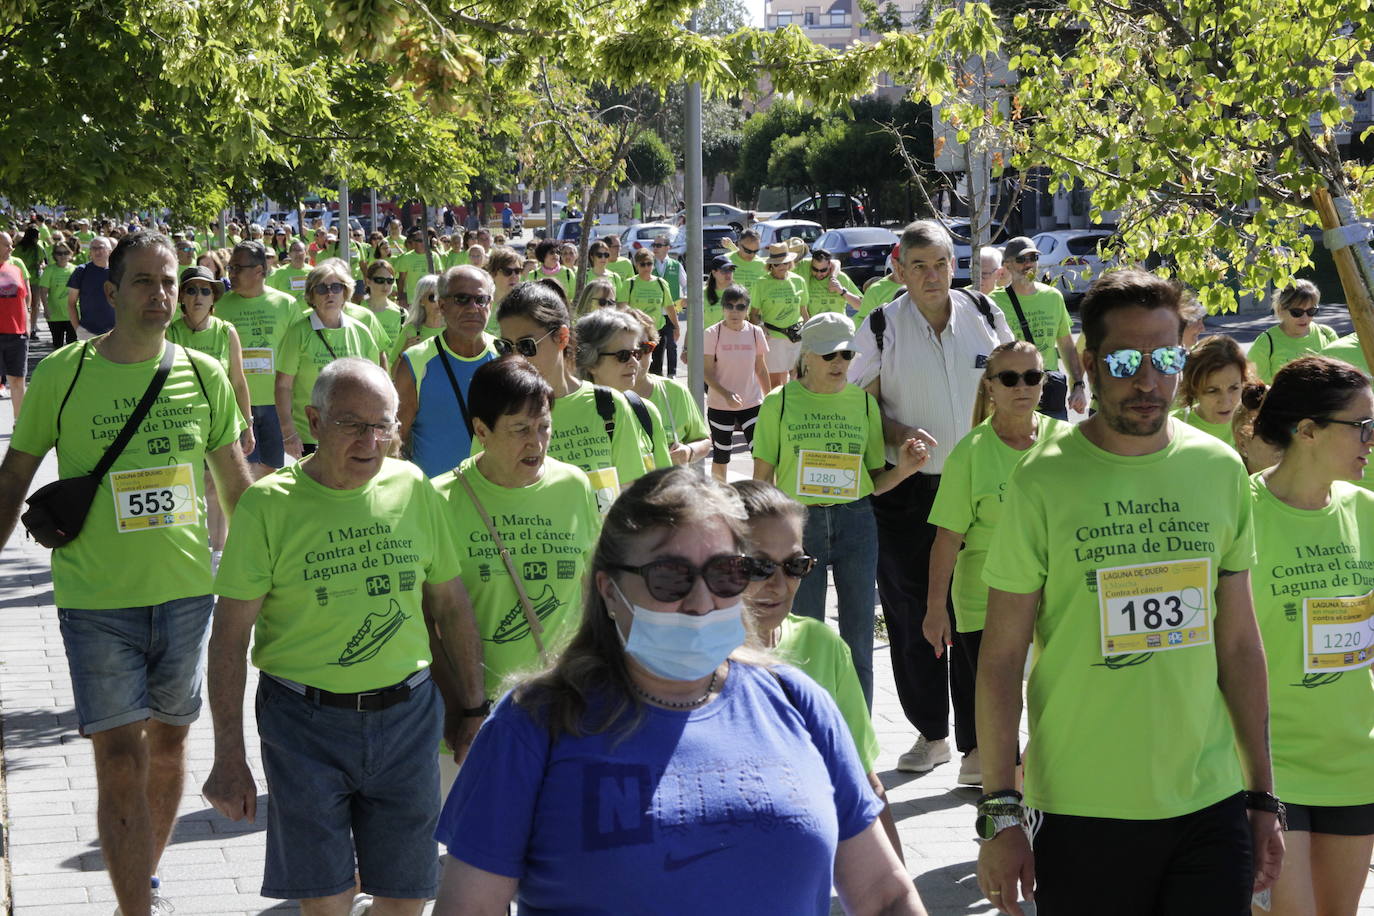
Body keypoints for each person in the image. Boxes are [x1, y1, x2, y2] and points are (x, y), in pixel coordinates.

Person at [431, 467, 926, 916]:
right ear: (608, 590)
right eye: (670, 577)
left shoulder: (797, 701)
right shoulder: (533, 725)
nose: (700, 601)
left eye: (727, 573)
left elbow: (885, 893)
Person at [975, 268, 1283, 915]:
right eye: (1124, 360)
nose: (1148, 380)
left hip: (1210, 800)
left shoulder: (1219, 468)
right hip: (1085, 807)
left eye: (1166, 357)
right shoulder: (1043, 481)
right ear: (1088, 363)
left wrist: (1262, 795)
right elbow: (1001, 660)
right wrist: (1000, 809)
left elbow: (1240, 645)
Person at [0, 230, 251, 916]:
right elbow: (15, 474)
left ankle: (142, 877)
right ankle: (136, 908)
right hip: (95, 597)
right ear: (110, 294)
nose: (161, 295)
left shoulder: (201, 375)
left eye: (170, 282)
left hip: (186, 595)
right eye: (144, 282)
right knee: (117, 757)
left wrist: (269, 584)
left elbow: (238, 488)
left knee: (169, 747)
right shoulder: (66, 374)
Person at [203, 358, 487, 916]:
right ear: (312, 419)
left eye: (383, 424)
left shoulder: (412, 489)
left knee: (406, 899)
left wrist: (473, 708)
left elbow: (451, 608)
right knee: (326, 903)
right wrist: (228, 755)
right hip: (303, 724)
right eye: (351, 424)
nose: (371, 440)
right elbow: (229, 638)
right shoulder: (267, 506)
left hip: (408, 721)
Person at [848, 219, 1012, 775]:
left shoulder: (986, 315)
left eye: (941, 263)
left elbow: (1011, 385)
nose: (932, 276)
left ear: (954, 265)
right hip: (907, 491)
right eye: (918, 266)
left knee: (974, 612)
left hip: (980, 490)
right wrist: (898, 438)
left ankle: (975, 745)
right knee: (913, 610)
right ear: (899, 269)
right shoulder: (877, 325)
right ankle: (930, 733)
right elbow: (861, 405)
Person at [431, 356, 601, 789]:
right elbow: (429, 623)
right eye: (520, 430)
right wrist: (461, 709)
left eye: (543, 426)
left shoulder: (574, 484)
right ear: (481, 430)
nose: (537, 443)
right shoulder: (438, 499)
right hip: (474, 723)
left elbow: (592, 596)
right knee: (469, 855)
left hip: (561, 711)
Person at [1244, 356, 1374, 916]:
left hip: (1355, 765)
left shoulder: (1366, 512)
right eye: (1363, 426)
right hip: (1271, 770)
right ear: (1309, 430)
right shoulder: (1238, 510)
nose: (1371, 439)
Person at [753, 313, 933, 707]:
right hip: (798, 527)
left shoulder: (863, 403)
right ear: (807, 357)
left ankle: (858, 738)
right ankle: (804, 726)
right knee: (802, 636)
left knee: (858, 641)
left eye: (847, 354)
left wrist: (902, 471)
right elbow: (761, 482)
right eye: (829, 354)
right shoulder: (778, 403)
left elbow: (872, 482)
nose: (839, 363)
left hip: (856, 522)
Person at [924, 340, 1070, 786]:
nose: (1021, 386)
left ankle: (1036, 775)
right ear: (990, 387)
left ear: (1044, 384)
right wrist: (934, 609)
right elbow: (947, 537)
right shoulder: (970, 451)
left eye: (1032, 376)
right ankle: (1001, 792)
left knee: (1058, 691)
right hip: (984, 595)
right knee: (1001, 700)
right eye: (1009, 378)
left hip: (1057, 594)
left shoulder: (1068, 443)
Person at [732, 478, 903, 860]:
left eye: (794, 566)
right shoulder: (680, 662)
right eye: (758, 567)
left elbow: (863, 782)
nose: (778, 585)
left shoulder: (822, 647)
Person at [496, 282, 667, 513]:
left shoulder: (609, 405)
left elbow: (629, 497)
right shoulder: (497, 412)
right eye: (505, 347)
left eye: (527, 346)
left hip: (602, 548)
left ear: (562, 337)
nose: (516, 357)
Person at [166, 265, 255, 556]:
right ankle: (187, 550)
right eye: (191, 289)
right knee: (184, 487)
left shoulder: (226, 331)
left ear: (214, 298)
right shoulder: (171, 333)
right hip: (180, 424)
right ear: (181, 298)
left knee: (215, 487)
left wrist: (248, 425)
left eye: (206, 290)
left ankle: (218, 552)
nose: (199, 296)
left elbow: (239, 382)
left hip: (219, 422)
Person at [276, 258, 384, 458]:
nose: (330, 293)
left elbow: (376, 385)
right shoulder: (297, 332)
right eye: (322, 289)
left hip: (355, 434)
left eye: (336, 287)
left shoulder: (361, 331)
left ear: (345, 292)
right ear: (311, 295)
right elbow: (283, 386)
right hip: (309, 435)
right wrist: (288, 432)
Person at [396, 265, 498, 477]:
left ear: (490, 304)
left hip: (493, 498)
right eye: (461, 299)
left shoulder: (506, 357)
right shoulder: (415, 361)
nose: (473, 308)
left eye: (481, 300)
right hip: (434, 499)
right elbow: (395, 438)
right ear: (442, 305)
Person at [215, 240, 300, 480]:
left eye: (237, 268)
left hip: (277, 403)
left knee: (273, 469)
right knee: (243, 472)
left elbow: (298, 355)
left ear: (259, 271)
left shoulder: (286, 304)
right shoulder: (221, 306)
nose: (231, 274)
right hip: (238, 403)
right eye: (230, 268)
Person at [989, 237, 1087, 421]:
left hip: (1049, 392)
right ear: (1008, 266)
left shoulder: (1053, 297)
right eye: (1021, 260)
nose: (1028, 264)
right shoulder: (993, 302)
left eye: (1033, 258)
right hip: (1012, 393)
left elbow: (1066, 346)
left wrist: (1078, 386)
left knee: (1054, 449)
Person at [573, 308, 676, 470]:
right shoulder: (565, 414)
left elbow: (665, 482)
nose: (635, 363)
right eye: (623, 355)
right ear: (591, 361)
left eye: (636, 353)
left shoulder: (646, 411)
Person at [623, 308, 712, 466]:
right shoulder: (598, 396)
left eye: (644, 348)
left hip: (668, 487)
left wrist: (688, 451)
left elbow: (703, 440)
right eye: (625, 353)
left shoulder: (674, 391)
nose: (635, 359)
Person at [703, 284, 770, 481]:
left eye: (740, 307)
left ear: (747, 310)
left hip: (752, 403)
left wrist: (771, 398)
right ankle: (720, 500)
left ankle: (764, 501)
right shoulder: (712, 333)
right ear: (723, 308)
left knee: (761, 455)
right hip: (720, 405)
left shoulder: (756, 332)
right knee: (722, 456)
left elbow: (760, 368)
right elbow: (706, 371)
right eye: (730, 306)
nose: (734, 311)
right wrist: (726, 394)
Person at [1250, 280, 1338, 384]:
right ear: (1280, 310)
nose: (1305, 318)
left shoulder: (1327, 334)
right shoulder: (1266, 343)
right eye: (1297, 312)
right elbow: (1256, 388)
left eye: (1311, 311)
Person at [1173, 334, 1250, 448]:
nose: (1225, 401)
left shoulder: (1255, 425)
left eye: (1234, 388)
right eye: (1213, 391)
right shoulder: (1173, 429)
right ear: (1193, 389)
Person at [751, 242, 810, 389]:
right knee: (775, 383)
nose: (782, 267)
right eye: (777, 264)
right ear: (770, 266)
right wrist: (760, 327)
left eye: (785, 263)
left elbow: (803, 310)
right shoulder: (761, 283)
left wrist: (810, 334)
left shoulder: (798, 281)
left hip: (797, 336)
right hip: (774, 338)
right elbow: (753, 314)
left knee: (799, 380)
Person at [0, 231, 31, 418]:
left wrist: (26, 324)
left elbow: (25, 297)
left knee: (18, 381)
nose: (11, 248)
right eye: (6, 245)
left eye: (11, 244)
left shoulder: (16, 267)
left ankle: (19, 425)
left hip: (16, 334)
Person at [648, 233, 685, 377]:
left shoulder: (676, 265)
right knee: (656, 345)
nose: (655, 248)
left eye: (659, 245)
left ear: (667, 248)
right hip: (654, 312)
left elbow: (686, 284)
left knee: (672, 344)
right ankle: (656, 374)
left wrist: (685, 297)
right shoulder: (649, 264)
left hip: (672, 310)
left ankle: (672, 374)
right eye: (654, 245)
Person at [389, 273, 445, 368]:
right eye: (433, 297)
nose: (438, 302)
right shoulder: (411, 331)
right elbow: (393, 373)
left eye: (441, 296)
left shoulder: (454, 330)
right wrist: (403, 352)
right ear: (421, 301)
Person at [68, 235, 115, 337]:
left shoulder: (118, 271)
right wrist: (78, 329)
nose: (97, 251)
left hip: (116, 331)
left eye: (100, 248)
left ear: (109, 251)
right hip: (88, 332)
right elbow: (71, 303)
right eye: (93, 248)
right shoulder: (81, 271)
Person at [358, 258, 407, 354]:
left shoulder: (402, 314)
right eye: (379, 280)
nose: (385, 285)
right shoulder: (357, 311)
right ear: (368, 282)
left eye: (390, 280)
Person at [36, 241, 78, 348]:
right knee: (57, 344)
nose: (63, 256)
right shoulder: (49, 270)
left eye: (65, 253)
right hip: (54, 314)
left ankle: (70, 365)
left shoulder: (76, 269)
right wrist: (45, 309)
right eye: (59, 253)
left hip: (72, 314)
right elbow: (43, 291)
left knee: (72, 344)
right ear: (54, 255)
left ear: (70, 254)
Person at [803, 249, 861, 315]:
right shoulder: (807, 276)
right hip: (814, 323)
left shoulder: (841, 277)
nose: (818, 274)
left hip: (837, 323)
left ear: (830, 265)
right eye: (815, 269)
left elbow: (861, 306)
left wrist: (841, 291)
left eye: (823, 270)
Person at [395, 228, 435, 311]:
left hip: (431, 299)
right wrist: (401, 297)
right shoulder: (406, 258)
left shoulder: (434, 256)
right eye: (420, 240)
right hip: (412, 300)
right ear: (414, 242)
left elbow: (439, 276)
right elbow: (401, 279)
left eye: (425, 240)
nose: (423, 243)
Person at [264, 239, 311, 306]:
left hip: (308, 313)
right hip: (287, 312)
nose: (298, 253)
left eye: (300, 250)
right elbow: (270, 295)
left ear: (306, 253)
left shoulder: (313, 272)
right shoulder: (279, 273)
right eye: (294, 250)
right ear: (289, 254)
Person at [728, 227, 767, 294]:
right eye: (748, 251)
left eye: (756, 251)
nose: (752, 255)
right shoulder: (727, 261)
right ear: (739, 244)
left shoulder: (763, 265)